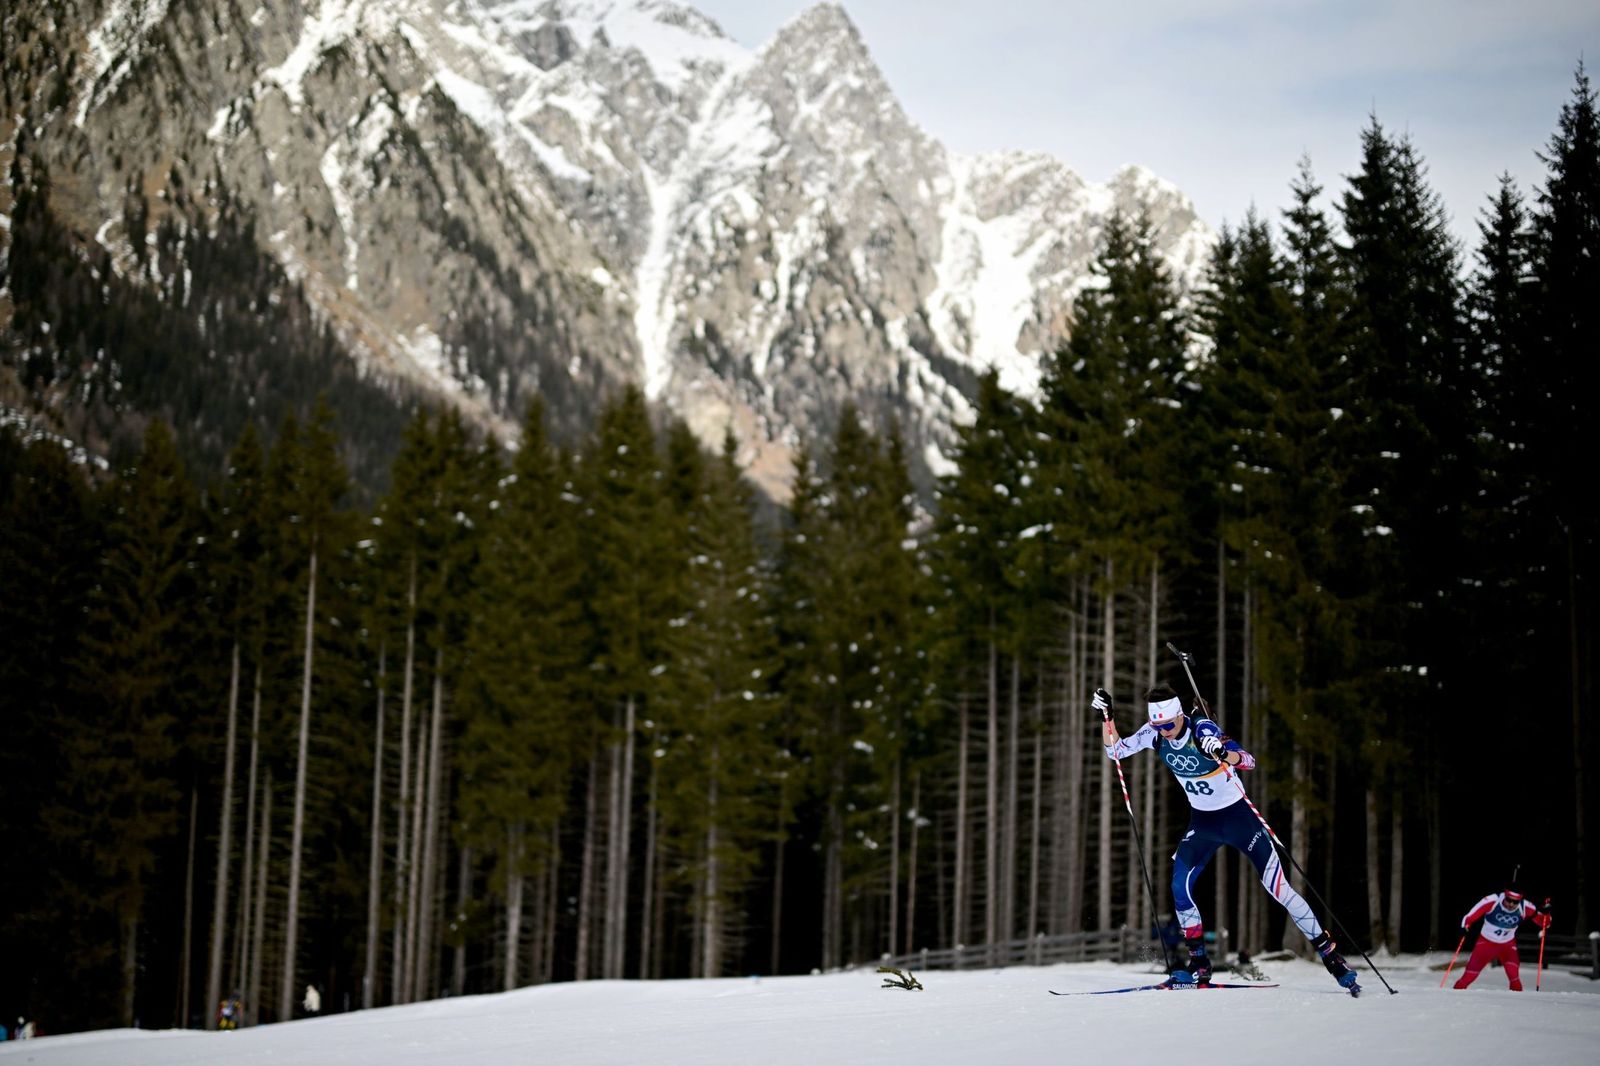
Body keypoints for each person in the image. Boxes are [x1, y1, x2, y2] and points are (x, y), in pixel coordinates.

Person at [1096, 683, 1359, 992]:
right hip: (1203, 823)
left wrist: (1224, 753)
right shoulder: (1153, 733)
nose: (1164, 731)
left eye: (1168, 724)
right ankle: (1198, 965)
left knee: (1279, 888)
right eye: (1158, 724)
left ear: (1180, 716)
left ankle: (1331, 957)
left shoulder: (1202, 729)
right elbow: (1116, 750)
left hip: (1239, 819)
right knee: (1179, 885)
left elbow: (1248, 760)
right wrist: (1107, 716)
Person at [1452, 888, 1551, 990]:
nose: (1511, 904)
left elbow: (1544, 923)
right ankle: (1452, 996)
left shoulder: (1525, 906)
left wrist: (1546, 913)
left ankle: (1516, 1003)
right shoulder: (1492, 901)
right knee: (1469, 976)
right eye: (1509, 900)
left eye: (1515, 902)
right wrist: (1465, 927)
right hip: (1486, 943)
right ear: (1505, 896)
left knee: (1514, 976)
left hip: (1507, 945)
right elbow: (1470, 916)